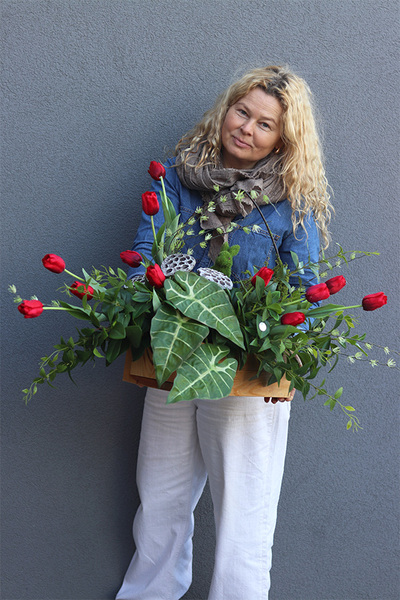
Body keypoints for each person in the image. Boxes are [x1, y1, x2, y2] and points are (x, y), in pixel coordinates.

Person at [116, 65, 332, 600]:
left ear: (283, 138)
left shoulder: (291, 200)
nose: (246, 129)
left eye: (265, 124)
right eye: (242, 112)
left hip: (247, 370)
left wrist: (274, 337)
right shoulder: (175, 178)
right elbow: (145, 254)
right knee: (160, 498)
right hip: (172, 354)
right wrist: (146, 303)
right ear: (226, 109)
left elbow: (303, 289)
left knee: (244, 513)